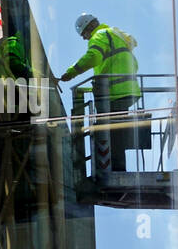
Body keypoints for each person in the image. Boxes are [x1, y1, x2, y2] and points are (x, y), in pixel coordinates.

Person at [60, 13, 142, 171]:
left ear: (89, 27)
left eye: (84, 34)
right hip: (127, 90)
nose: (84, 38)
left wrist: (71, 72)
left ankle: (113, 169)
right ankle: (118, 168)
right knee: (117, 133)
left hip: (113, 92)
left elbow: (93, 57)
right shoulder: (116, 35)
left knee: (108, 133)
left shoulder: (99, 35)